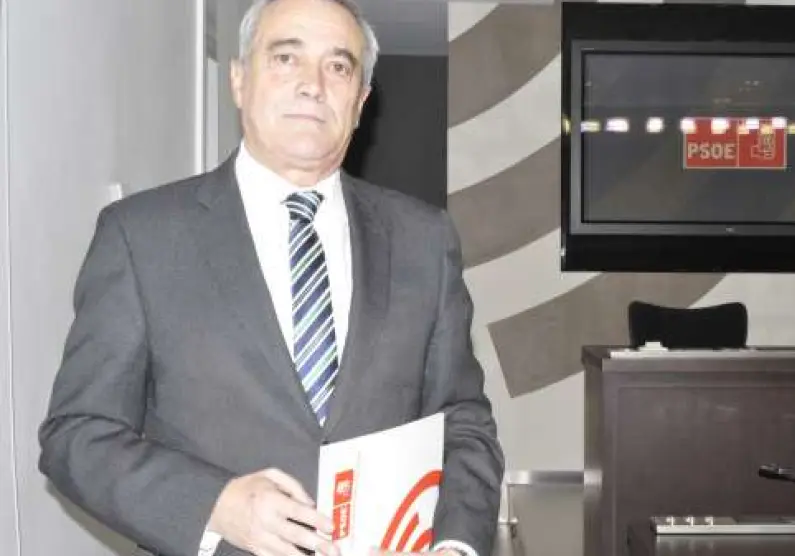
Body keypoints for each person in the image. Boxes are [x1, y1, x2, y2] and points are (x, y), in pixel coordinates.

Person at [37, 0, 504, 555]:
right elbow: (77, 434)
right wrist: (215, 506)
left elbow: (463, 423)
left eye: (338, 66)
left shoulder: (424, 241)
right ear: (239, 80)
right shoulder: (141, 237)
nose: (313, 85)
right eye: (286, 57)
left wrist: (456, 546)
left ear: (359, 102)